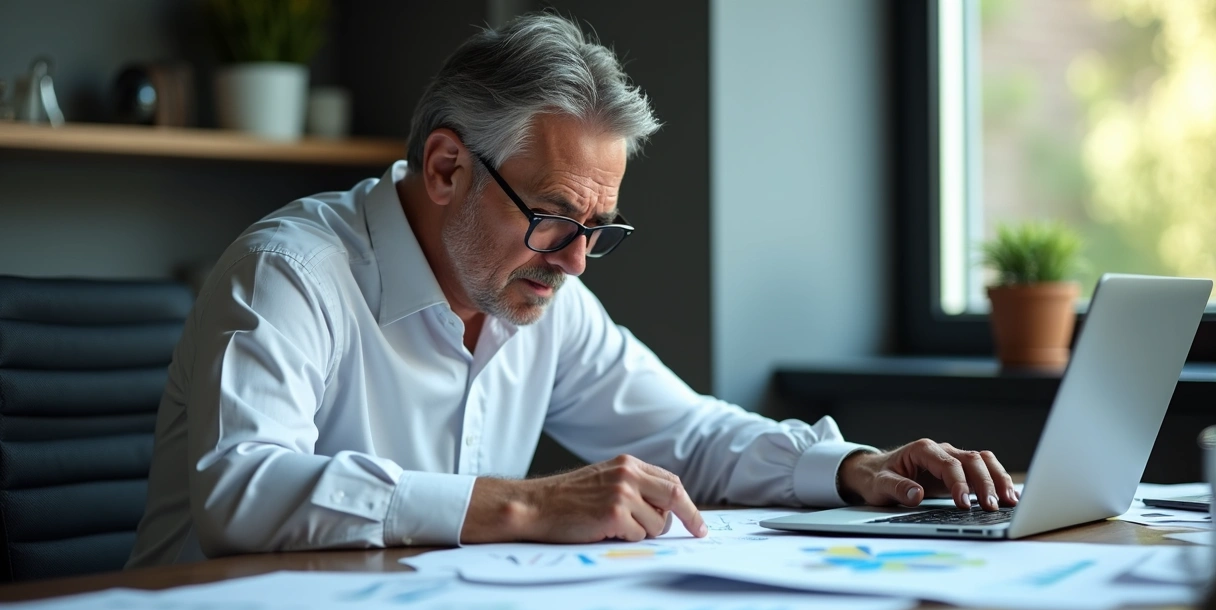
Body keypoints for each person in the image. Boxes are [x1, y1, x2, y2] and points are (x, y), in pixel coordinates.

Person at [127, 13, 1018, 568]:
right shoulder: (291, 271)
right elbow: (241, 491)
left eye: (600, 228)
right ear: (445, 168)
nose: (577, 260)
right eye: (554, 216)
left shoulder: (543, 293)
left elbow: (691, 436)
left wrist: (853, 469)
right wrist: (526, 503)